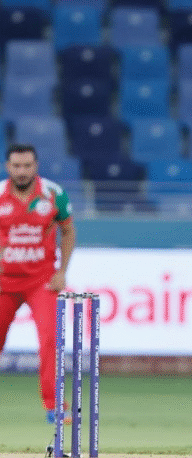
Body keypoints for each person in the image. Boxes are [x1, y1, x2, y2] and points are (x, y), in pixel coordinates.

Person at [0, 144, 76, 423]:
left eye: (27, 165)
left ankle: (55, 406)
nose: (22, 171)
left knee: (50, 339)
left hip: (41, 281)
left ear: (36, 166)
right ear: (8, 167)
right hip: (4, 281)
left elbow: (68, 231)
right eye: (16, 166)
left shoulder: (53, 194)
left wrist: (62, 271)